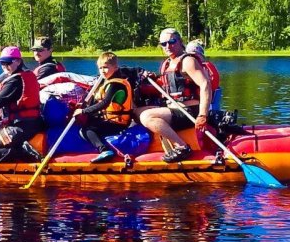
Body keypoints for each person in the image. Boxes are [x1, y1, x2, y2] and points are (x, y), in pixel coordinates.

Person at [133, 28, 213, 163]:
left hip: (189, 112)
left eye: (171, 41)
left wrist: (202, 115)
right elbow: (170, 84)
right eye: (163, 44)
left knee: (147, 116)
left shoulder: (188, 61)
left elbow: (205, 85)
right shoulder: (168, 63)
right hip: (175, 110)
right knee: (136, 111)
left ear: (180, 42)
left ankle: (182, 147)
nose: (168, 46)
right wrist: (151, 78)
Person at [74, 52, 135, 163]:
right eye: (100, 68)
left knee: (87, 130)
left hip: (118, 123)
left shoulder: (116, 84)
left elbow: (105, 103)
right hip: (110, 119)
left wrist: (83, 111)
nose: (102, 71)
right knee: (88, 123)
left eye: (106, 67)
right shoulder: (107, 82)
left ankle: (104, 150)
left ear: (115, 67)